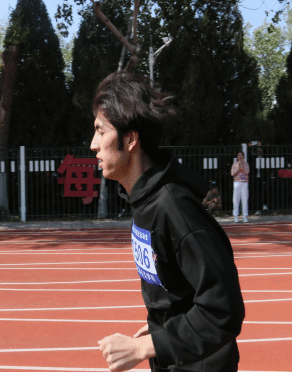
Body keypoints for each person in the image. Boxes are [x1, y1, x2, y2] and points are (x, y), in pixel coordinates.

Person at [91, 72, 245, 372]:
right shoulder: (143, 200)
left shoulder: (174, 208)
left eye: (100, 131)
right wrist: (159, 331)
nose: (93, 144)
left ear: (130, 139)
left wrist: (145, 347)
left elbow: (223, 309)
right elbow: (176, 288)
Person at [231, 151, 250, 223]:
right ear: (237, 157)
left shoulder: (246, 164)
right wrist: (238, 168)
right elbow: (232, 174)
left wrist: (242, 165)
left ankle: (245, 216)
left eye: (241, 155)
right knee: (236, 199)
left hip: (244, 183)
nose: (240, 157)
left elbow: (247, 172)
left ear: (243, 156)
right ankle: (235, 216)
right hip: (237, 182)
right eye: (239, 155)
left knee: (245, 199)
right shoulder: (235, 164)